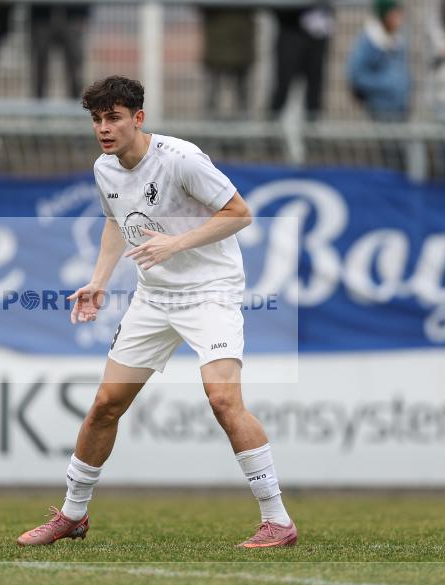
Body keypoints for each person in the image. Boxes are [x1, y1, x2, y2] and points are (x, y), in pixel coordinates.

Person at [16, 76, 297, 549]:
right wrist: (99, 281)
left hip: (210, 291)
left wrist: (176, 242)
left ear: (138, 118)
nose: (104, 129)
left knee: (223, 400)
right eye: (97, 120)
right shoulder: (104, 168)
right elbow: (114, 220)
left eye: (114, 118)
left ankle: (278, 520)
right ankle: (72, 515)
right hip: (154, 296)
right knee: (106, 405)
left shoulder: (180, 158)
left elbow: (240, 213)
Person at [347, 0, 411, 122]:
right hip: (381, 107)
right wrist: (386, 86)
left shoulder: (397, 40)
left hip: (400, 108)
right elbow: (357, 75)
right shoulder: (369, 41)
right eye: (394, 14)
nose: (399, 18)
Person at [270, 1, 334, 121]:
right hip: (291, 32)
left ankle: (312, 133)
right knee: (283, 87)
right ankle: (271, 132)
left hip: (317, 36)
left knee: (314, 90)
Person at [200, 7, 255, 118]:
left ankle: (244, 125)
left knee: (240, 94)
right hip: (224, 42)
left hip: (236, 42)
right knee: (215, 93)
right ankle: (208, 126)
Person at [29, 4, 89, 98]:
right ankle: (38, 106)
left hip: (72, 16)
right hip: (42, 16)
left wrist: (84, 15)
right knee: (39, 64)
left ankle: (75, 105)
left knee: (75, 65)